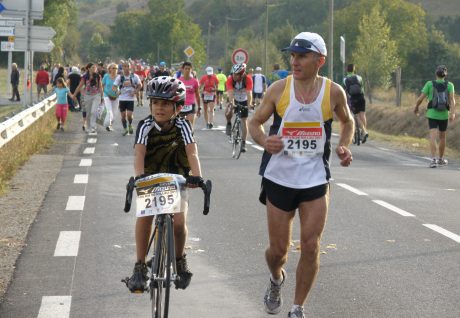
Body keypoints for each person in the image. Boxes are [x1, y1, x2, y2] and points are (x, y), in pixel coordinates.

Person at [249, 32, 354, 318]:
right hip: (279, 177)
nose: (294, 61)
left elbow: (348, 121)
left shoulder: (333, 92)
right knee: (278, 251)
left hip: (315, 178)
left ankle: (297, 308)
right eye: (292, 55)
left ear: (320, 60)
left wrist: (343, 145)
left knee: (310, 245)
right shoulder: (278, 90)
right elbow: (255, 122)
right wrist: (263, 141)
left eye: (302, 56)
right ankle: (276, 279)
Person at [126, 76, 203, 293]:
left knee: (179, 223)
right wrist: (139, 177)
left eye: (166, 104)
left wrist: (197, 176)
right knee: (144, 216)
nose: (159, 108)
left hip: (177, 178)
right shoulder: (145, 125)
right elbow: (139, 152)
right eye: (156, 103)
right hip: (150, 177)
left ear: (177, 107)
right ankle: (140, 266)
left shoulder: (183, 125)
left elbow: (192, 151)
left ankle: (179, 261)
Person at [414, 65, 456, 168]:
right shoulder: (450, 85)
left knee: (433, 136)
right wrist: (453, 113)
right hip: (444, 114)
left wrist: (416, 107)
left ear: (435, 74)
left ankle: (433, 160)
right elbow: (452, 100)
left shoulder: (429, 84)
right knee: (442, 137)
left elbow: (420, 98)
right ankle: (441, 159)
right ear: (445, 75)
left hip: (432, 113)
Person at [225, 63, 253, 152]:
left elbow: (249, 94)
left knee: (244, 121)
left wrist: (249, 105)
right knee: (229, 110)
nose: (234, 76)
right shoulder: (230, 79)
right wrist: (232, 103)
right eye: (233, 73)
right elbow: (230, 93)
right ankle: (229, 123)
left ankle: (243, 143)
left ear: (242, 74)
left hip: (244, 99)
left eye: (236, 74)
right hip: (234, 98)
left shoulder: (248, 79)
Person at [113, 61, 142, 136]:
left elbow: (140, 85)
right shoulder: (120, 77)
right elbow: (114, 87)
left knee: (129, 115)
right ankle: (125, 128)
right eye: (124, 66)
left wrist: (135, 92)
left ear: (130, 67)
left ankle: (130, 125)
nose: (126, 68)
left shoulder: (134, 76)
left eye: (127, 66)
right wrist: (117, 92)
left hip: (130, 98)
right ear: (122, 68)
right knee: (123, 116)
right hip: (122, 98)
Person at [74, 63, 104, 133]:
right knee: (88, 113)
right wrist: (74, 94)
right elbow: (79, 86)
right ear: (88, 68)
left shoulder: (98, 76)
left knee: (94, 111)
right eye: (93, 67)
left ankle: (93, 126)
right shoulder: (85, 77)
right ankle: (88, 126)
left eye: (95, 67)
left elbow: (100, 87)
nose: (94, 69)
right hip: (87, 96)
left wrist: (102, 97)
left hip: (97, 95)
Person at [344, 63, 368, 143]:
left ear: (347, 70)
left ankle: (364, 132)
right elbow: (362, 88)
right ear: (354, 70)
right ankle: (363, 132)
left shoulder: (345, 79)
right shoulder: (359, 77)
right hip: (361, 97)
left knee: (356, 115)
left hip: (353, 99)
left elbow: (344, 92)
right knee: (362, 114)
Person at [179, 61, 201, 128]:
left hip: (191, 106)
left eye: (189, 69)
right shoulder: (178, 81)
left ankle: (191, 137)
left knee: (190, 127)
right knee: (180, 127)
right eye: (186, 68)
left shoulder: (194, 81)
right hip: (180, 106)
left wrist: (199, 107)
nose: (187, 70)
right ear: (182, 69)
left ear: (191, 70)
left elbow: (197, 95)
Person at [102, 63, 119, 131]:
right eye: (113, 68)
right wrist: (102, 94)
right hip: (107, 96)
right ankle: (108, 125)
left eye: (116, 68)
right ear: (109, 69)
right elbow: (102, 85)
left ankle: (109, 124)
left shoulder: (119, 77)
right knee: (109, 111)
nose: (115, 69)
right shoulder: (106, 76)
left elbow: (121, 87)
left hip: (116, 97)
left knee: (114, 114)